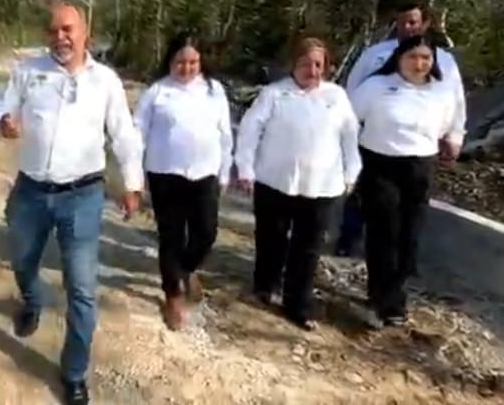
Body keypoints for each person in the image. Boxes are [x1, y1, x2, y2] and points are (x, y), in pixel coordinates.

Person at [0, 0, 143, 405]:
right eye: (54, 30)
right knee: (23, 260)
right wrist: (3, 122)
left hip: (83, 196)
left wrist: (132, 183)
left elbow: (124, 135)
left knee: (83, 289)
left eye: (68, 29)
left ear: (85, 33)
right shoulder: (28, 72)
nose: (61, 37)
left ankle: (73, 373)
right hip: (31, 192)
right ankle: (32, 300)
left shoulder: (105, 81)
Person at [234, 37, 361, 331]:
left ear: (325, 67)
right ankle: (265, 286)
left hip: (322, 186)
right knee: (271, 238)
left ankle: (297, 304)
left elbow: (350, 137)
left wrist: (351, 174)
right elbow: (250, 131)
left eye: (318, 64)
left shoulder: (337, 97)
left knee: (308, 247)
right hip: (274, 181)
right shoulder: (274, 94)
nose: (312, 70)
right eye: (305, 64)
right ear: (293, 65)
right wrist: (245, 168)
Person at [349, 33, 463, 326]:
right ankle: (381, 300)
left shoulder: (441, 92)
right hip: (379, 164)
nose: (419, 64)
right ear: (399, 58)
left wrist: (452, 141)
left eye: (426, 58)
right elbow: (349, 120)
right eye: (413, 57)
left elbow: (448, 124)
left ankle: (394, 295)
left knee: (409, 237)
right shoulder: (376, 86)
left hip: (419, 166)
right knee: (384, 231)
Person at [336, 0, 466, 256]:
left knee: (410, 208)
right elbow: (353, 91)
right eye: (401, 22)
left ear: (425, 24)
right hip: (375, 141)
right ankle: (349, 238)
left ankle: (404, 259)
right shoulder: (375, 55)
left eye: (413, 22)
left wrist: (454, 136)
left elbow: (455, 101)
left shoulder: (445, 62)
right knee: (364, 195)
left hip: (419, 148)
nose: (407, 27)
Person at [132, 32, 233, 330]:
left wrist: (225, 171)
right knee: (171, 237)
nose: (186, 68)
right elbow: (137, 133)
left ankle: (186, 268)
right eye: (180, 62)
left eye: (192, 62)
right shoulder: (157, 92)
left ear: (201, 62)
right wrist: (134, 175)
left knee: (206, 233)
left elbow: (225, 135)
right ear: (170, 60)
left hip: (205, 173)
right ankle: (173, 294)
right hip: (165, 174)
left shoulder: (215, 91)